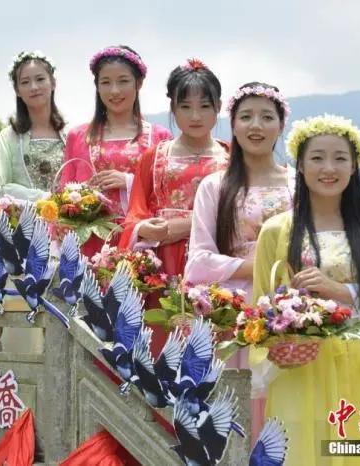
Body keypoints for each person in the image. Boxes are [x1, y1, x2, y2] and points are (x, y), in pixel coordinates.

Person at [252, 114, 360, 465]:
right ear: (300, 165)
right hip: (302, 366)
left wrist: (340, 291)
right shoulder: (276, 231)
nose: (328, 168)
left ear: (354, 165)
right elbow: (261, 301)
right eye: (317, 158)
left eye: (340, 158)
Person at [183, 82, 295, 440]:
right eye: (246, 117)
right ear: (232, 124)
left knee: (285, 412)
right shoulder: (214, 186)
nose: (256, 126)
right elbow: (198, 261)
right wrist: (263, 268)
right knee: (235, 417)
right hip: (233, 313)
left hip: (288, 311)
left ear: (281, 124)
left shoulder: (298, 184)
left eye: (267, 117)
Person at [120, 58, 229, 277]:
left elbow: (243, 214)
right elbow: (136, 212)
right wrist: (143, 228)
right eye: (185, 107)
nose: (195, 116)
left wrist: (187, 225)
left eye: (204, 106)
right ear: (173, 108)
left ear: (218, 106)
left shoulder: (232, 157)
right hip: (163, 260)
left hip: (217, 256)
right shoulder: (153, 157)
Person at [61, 45, 171, 255]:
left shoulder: (159, 137)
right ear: (97, 86)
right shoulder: (78, 136)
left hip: (142, 246)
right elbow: (63, 193)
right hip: (89, 246)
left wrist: (129, 182)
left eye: (123, 81)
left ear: (139, 83)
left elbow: (166, 197)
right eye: (106, 82)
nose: (114, 91)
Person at [0, 50, 66, 202]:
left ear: (53, 83)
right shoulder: (9, 137)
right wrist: (43, 198)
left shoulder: (71, 134)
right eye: (25, 82)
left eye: (40, 79)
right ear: (17, 90)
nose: (33, 87)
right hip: (23, 216)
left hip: (69, 216)